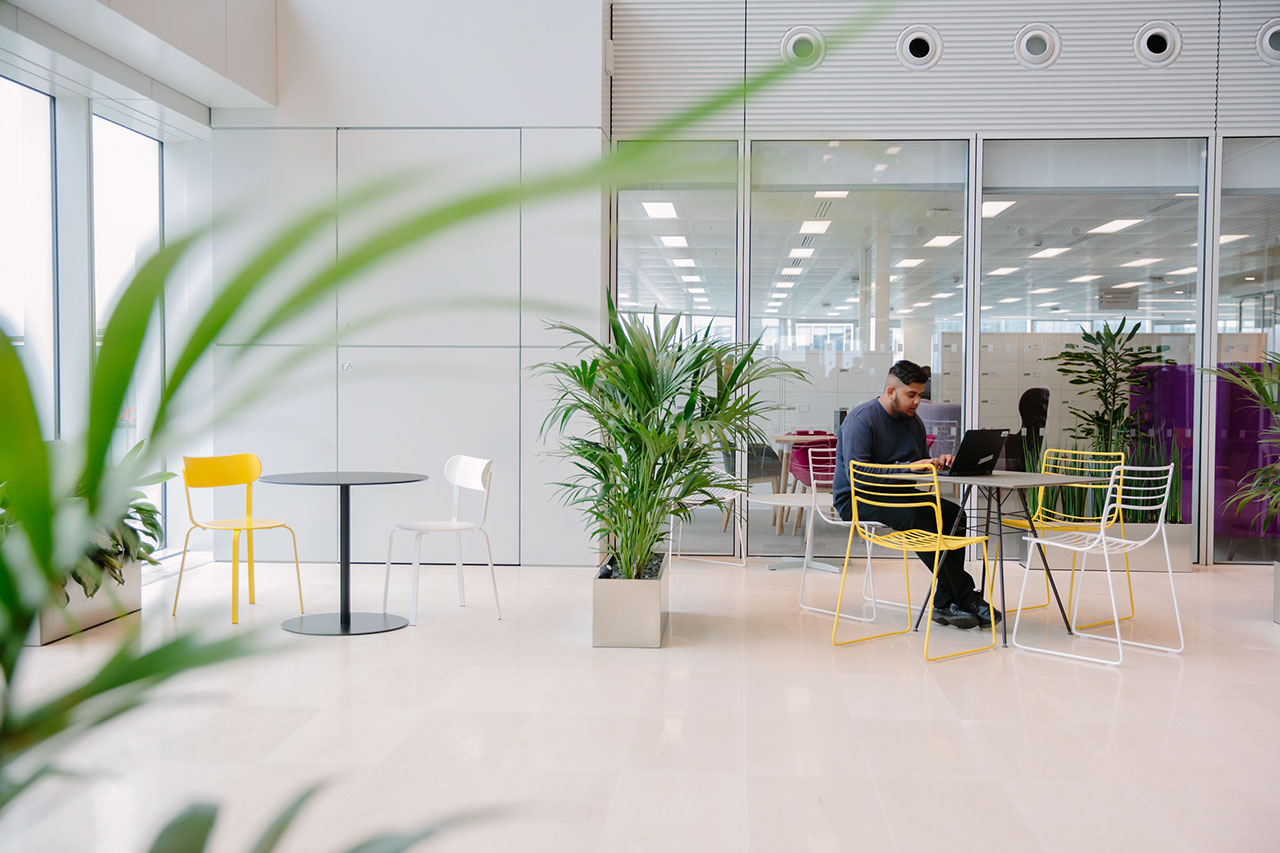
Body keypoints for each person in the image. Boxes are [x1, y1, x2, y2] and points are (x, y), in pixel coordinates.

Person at [832, 360, 1000, 630]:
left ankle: (945, 603)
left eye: (920, 395)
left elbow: (918, 465)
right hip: (859, 499)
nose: (917, 401)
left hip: (900, 494)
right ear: (890, 392)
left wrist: (937, 462)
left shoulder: (914, 423)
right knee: (916, 517)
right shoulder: (861, 420)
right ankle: (967, 597)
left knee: (954, 514)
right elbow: (858, 475)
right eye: (911, 395)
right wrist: (908, 468)